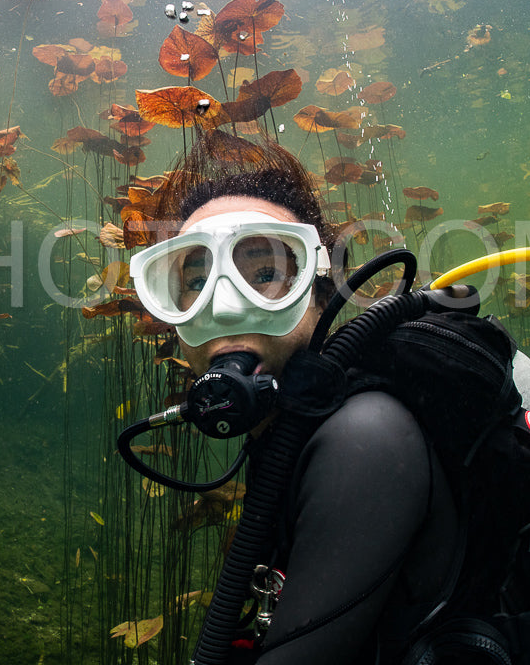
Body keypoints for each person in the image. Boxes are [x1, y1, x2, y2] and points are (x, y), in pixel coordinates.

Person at [130, 145, 462, 664]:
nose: (225, 305)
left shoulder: (365, 439)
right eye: (195, 283)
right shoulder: (295, 434)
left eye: (264, 275)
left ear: (323, 295)